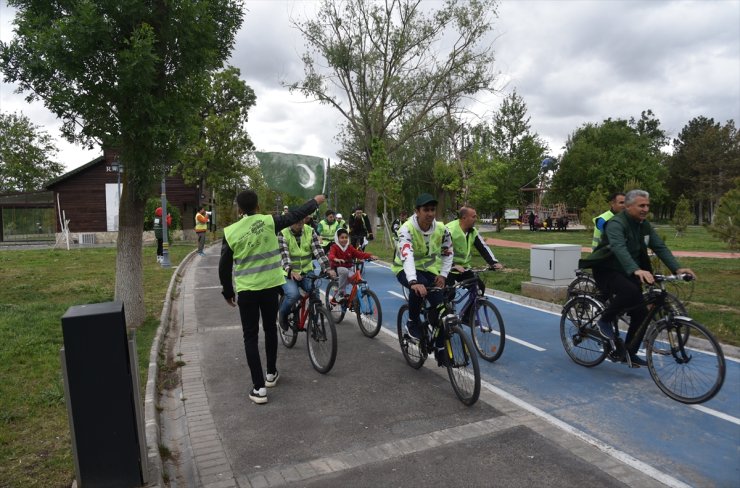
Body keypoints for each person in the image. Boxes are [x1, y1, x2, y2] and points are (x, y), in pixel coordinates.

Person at [219, 191, 326, 405]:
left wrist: (228, 292)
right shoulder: (269, 222)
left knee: (250, 336)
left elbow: (224, 266)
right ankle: (271, 373)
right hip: (270, 287)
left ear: (239, 209)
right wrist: (315, 201)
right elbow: (296, 214)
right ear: (258, 206)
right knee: (269, 329)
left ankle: (259, 388)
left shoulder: (230, 232)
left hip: (248, 291)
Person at [580, 189, 696, 367]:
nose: (645, 209)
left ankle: (628, 352)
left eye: (647, 205)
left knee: (641, 313)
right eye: (641, 205)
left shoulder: (644, 225)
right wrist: (636, 269)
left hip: (628, 270)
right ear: (628, 206)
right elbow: (619, 248)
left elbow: (660, 247)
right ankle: (605, 319)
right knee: (631, 291)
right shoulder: (616, 224)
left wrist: (677, 268)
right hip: (607, 269)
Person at [392, 193, 453, 366]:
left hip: (430, 270)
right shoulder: (406, 229)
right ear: (417, 211)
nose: (430, 213)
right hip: (404, 269)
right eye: (425, 210)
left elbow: (448, 252)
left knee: (442, 309)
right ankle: (412, 323)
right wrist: (413, 281)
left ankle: (441, 349)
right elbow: (407, 256)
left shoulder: (442, 229)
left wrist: (443, 275)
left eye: (433, 209)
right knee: (420, 287)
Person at [277, 214, 336, 332]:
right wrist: (291, 271)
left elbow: (319, 252)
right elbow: (284, 256)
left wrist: (328, 268)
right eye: (296, 219)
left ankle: (315, 323)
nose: (299, 222)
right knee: (293, 295)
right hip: (287, 273)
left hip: (307, 271)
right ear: (290, 220)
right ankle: (282, 315)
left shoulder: (310, 231)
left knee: (315, 294)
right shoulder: (283, 233)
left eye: (301, 219)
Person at [445, 206, 502, 307]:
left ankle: (468, 316)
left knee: (479, 288)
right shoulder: (450, 230)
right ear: (464, 218)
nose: (476, 219)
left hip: (464, 268)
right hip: (447, 267)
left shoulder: (472, 231)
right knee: (449, 294)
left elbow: (483, 247)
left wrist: (493, 262)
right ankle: (440, 318)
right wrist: (453, 265)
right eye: (473, 217)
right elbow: (440, 251)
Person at [328, 228, 378, 302]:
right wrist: (336, 259)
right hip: (338, 268)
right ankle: (340, 293)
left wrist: (370, 256)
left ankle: (354, 300)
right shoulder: (334, 247)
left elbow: (359, 254)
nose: (344, 239)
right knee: (344, 271)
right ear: (337, 238)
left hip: (349, 268)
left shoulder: (350, 247)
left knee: (358, 281)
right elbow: (331, 255)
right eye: (342, 238)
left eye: (346, 237)